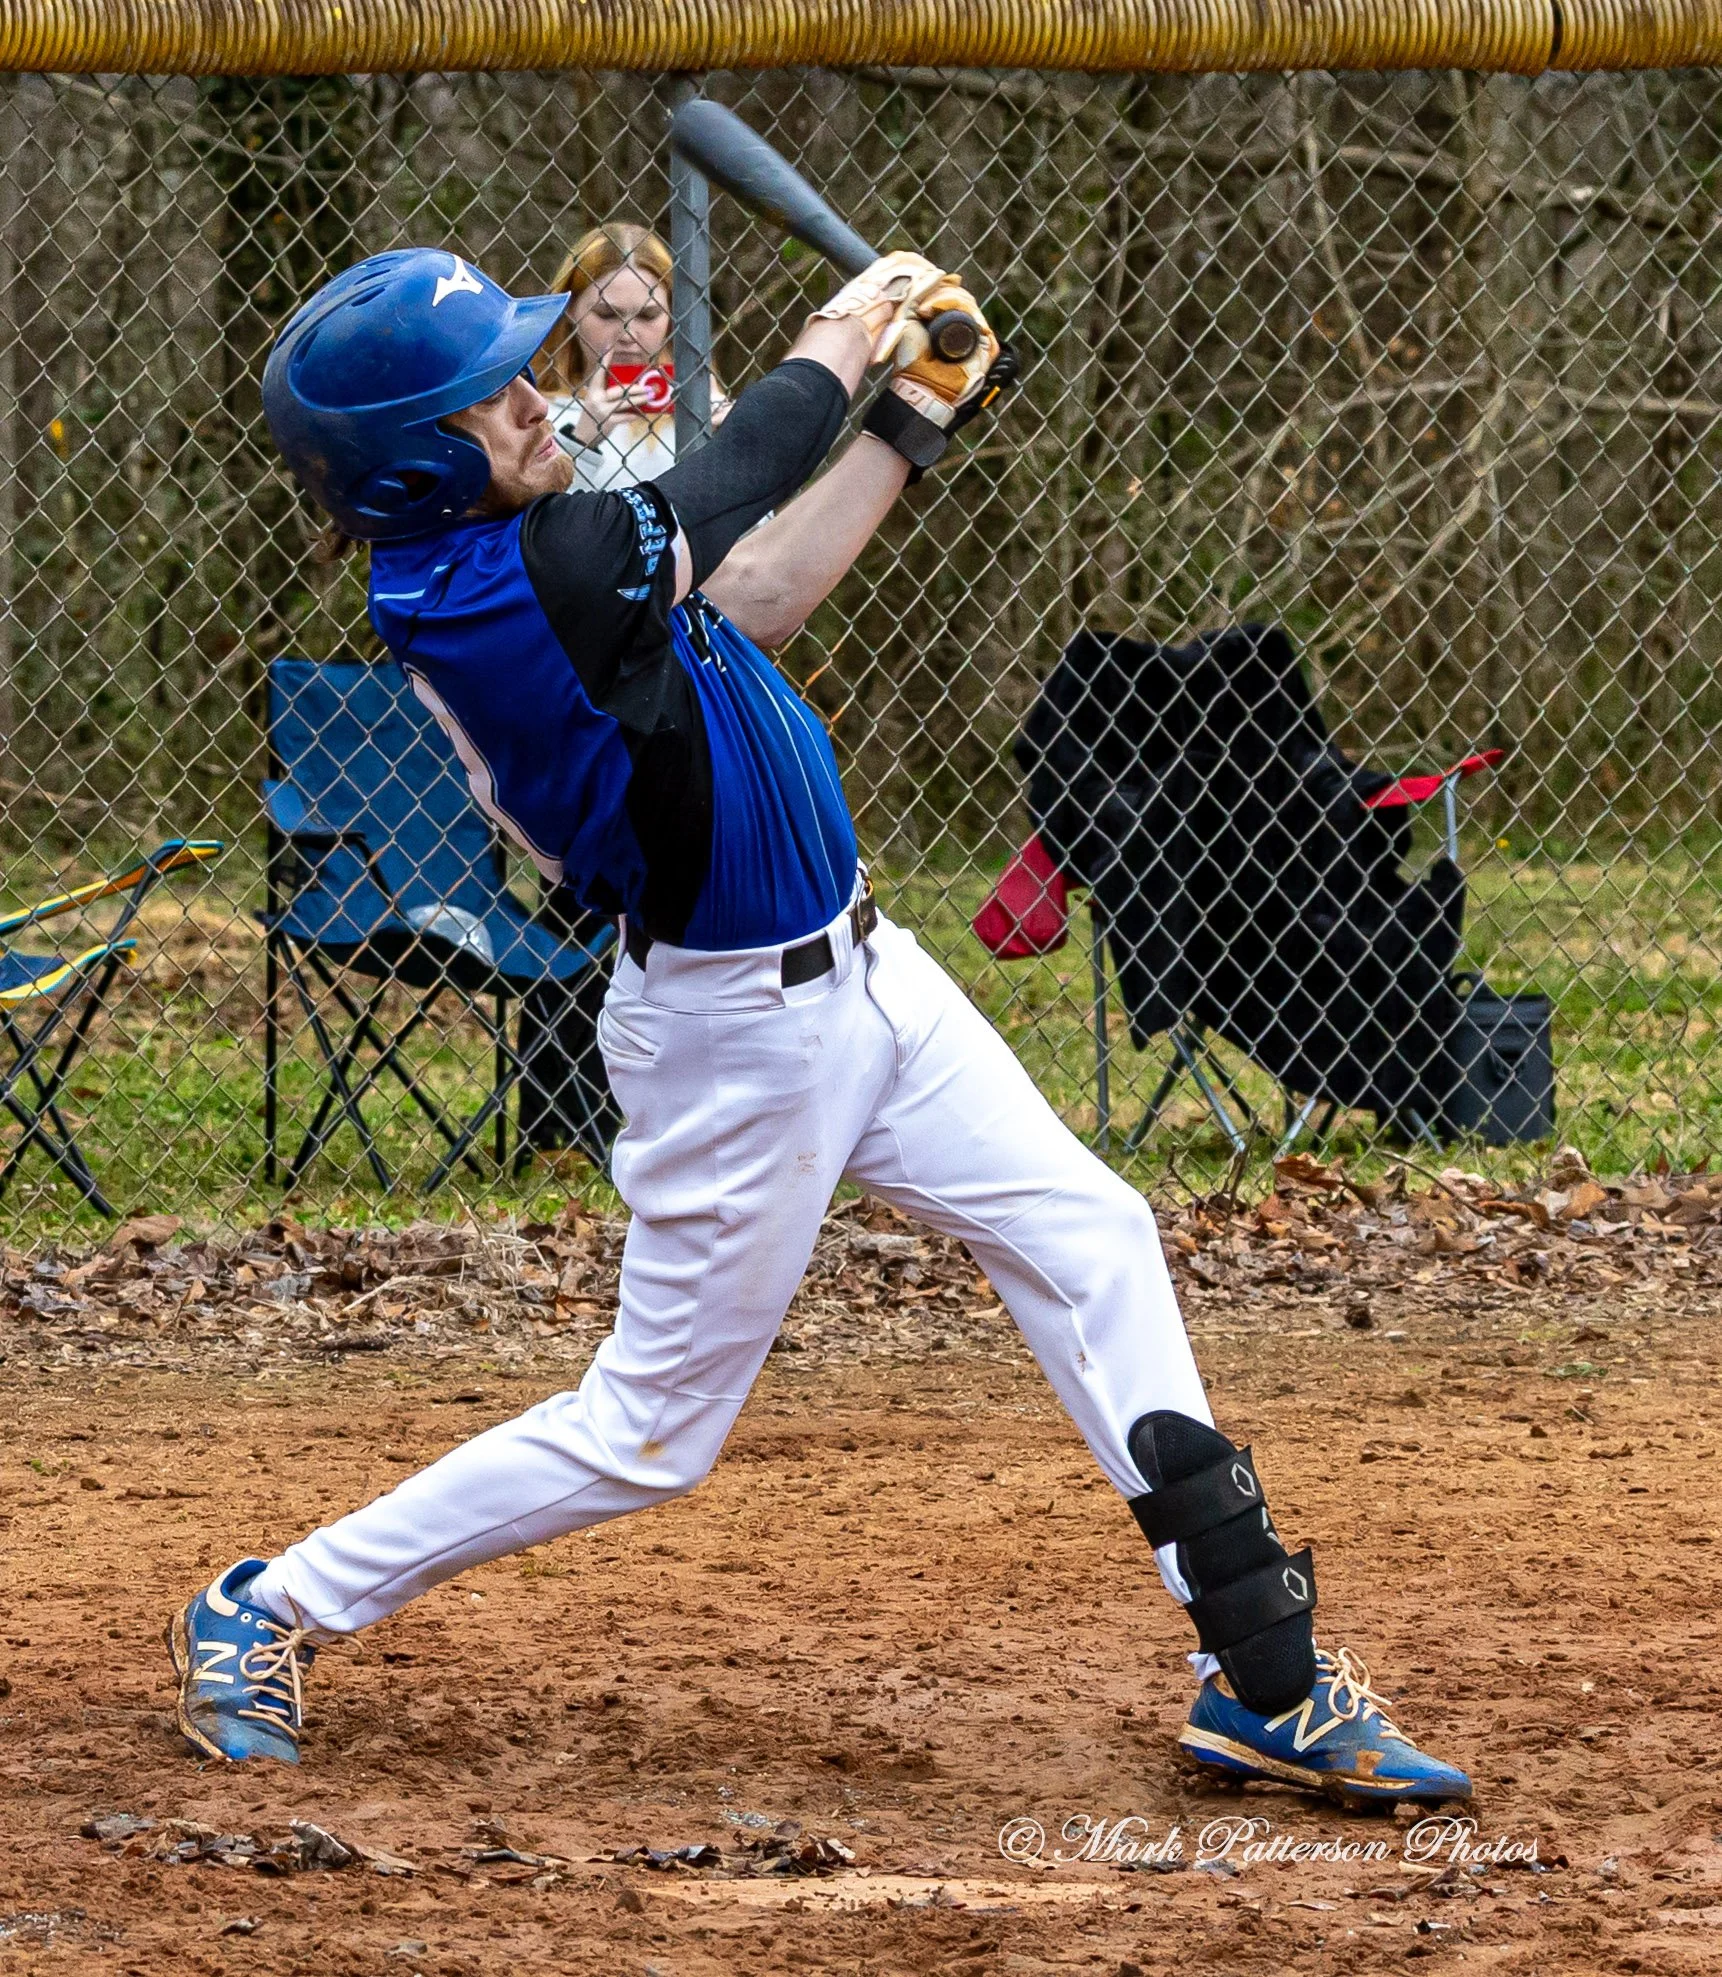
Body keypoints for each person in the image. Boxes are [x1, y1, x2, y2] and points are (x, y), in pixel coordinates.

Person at [167, 241, 1471, 1808]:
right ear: (402, 470)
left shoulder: (544, 543)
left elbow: (758, 587)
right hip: (733, 1039)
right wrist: (848, 332)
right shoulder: (506, 579)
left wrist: (907, 418)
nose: (529, 398)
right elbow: (735, 469)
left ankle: (1260, 1678)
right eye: (485, 399)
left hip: (871, 974)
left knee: (1093, 1234)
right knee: (649, 1431)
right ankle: (273, 1601)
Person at [539, 221, 729, 492]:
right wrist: (580, 442)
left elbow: (759, 526)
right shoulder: (535, 413)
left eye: (648, 315)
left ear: (673, 313)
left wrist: (728, 440)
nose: (628, 334)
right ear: (569, 308)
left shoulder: (692, 404)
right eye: (606, 314)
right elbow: (534, 528)